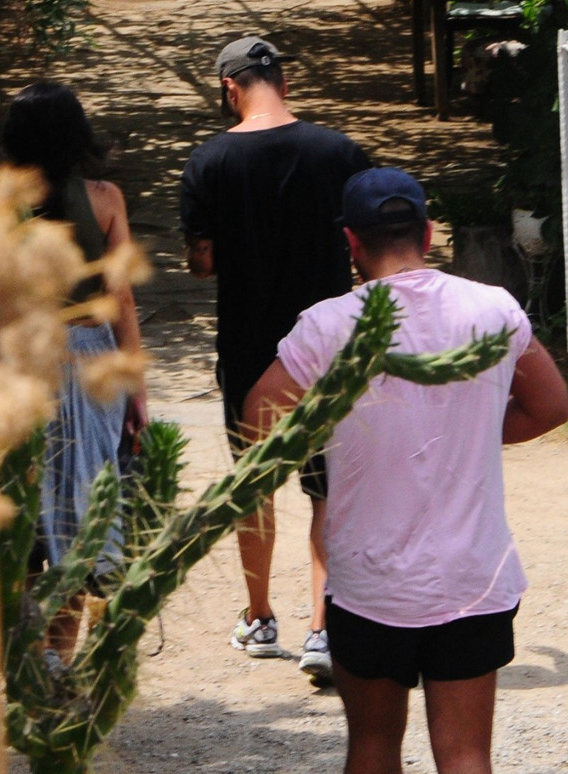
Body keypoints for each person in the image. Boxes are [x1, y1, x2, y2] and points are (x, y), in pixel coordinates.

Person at [243, 167, 568, 773]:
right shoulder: (493, 309)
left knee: (372, 748)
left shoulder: (328, 324)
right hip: (472, 577)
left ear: (351, 242)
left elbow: (259, 418)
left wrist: (335, 427)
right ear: (426, 231)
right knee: (466, 754)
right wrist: (470, 429)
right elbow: (550, 406)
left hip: (370, 580)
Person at [179, 35, 371, 676]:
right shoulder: (340, 153)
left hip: (249, 347)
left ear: (229, 88)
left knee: (254, 483)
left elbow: (203, 261)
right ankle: (324, 630)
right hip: (327, 344)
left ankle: (260, 617)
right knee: (327, 490)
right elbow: (364, 244)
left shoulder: (208, 161)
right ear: (283, 83)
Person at [1, 82, 148, 664]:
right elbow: (123, 300)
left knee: (26, 514)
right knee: (87, 511)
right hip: (93, 360)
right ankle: (61, 658)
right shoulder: (106, 199)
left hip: (26, 360)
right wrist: (138, 390)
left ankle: (28, 656)